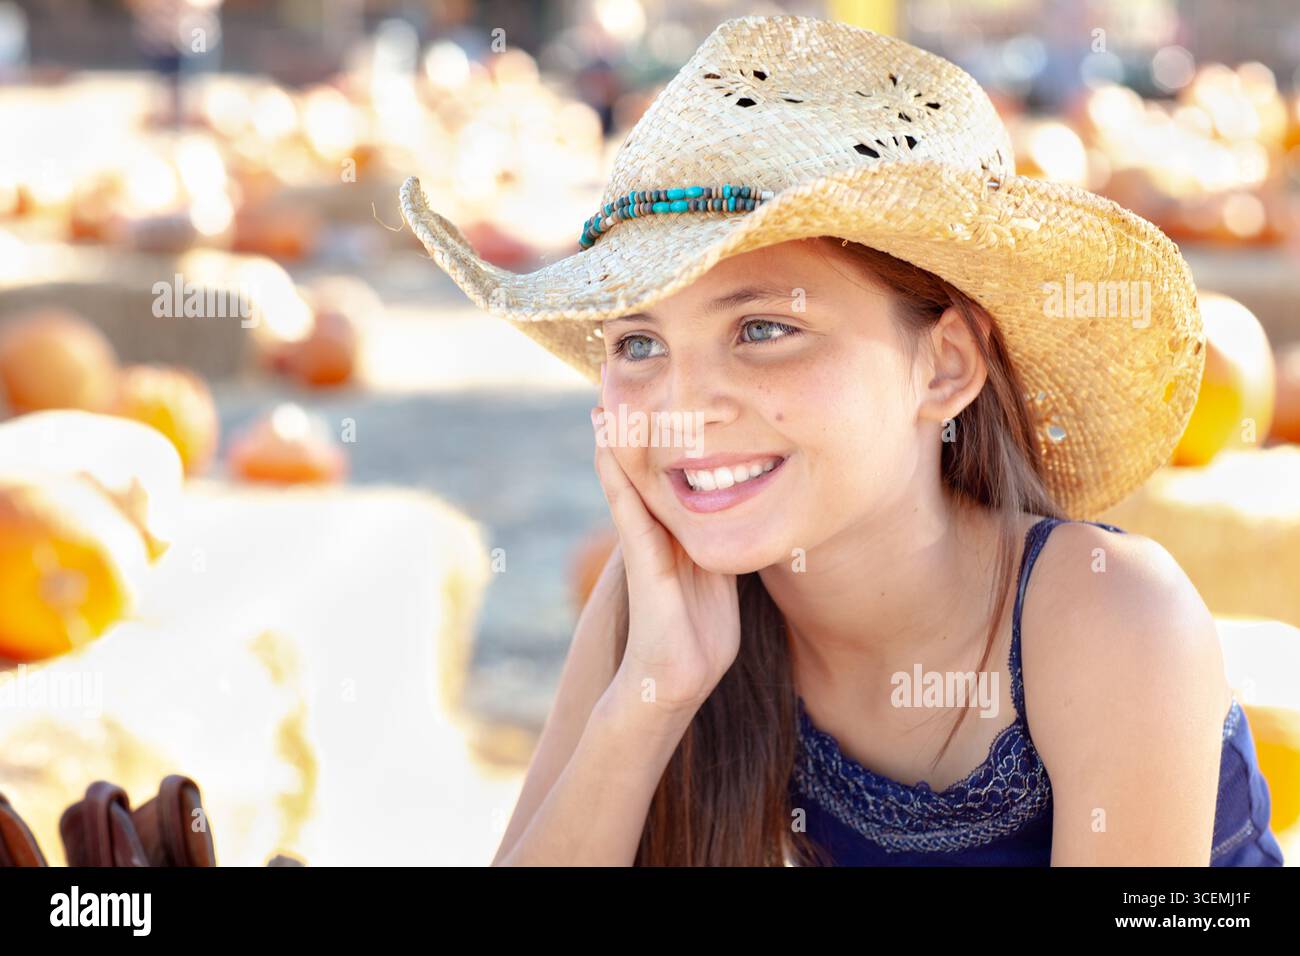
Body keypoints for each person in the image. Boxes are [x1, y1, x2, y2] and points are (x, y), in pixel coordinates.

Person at [399, 15, 1286, 866]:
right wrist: (654, 694)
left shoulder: (1107, 617)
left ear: (943, 368)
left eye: (761, 329)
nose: (680, 405)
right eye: (639, 344)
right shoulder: (657, 601)